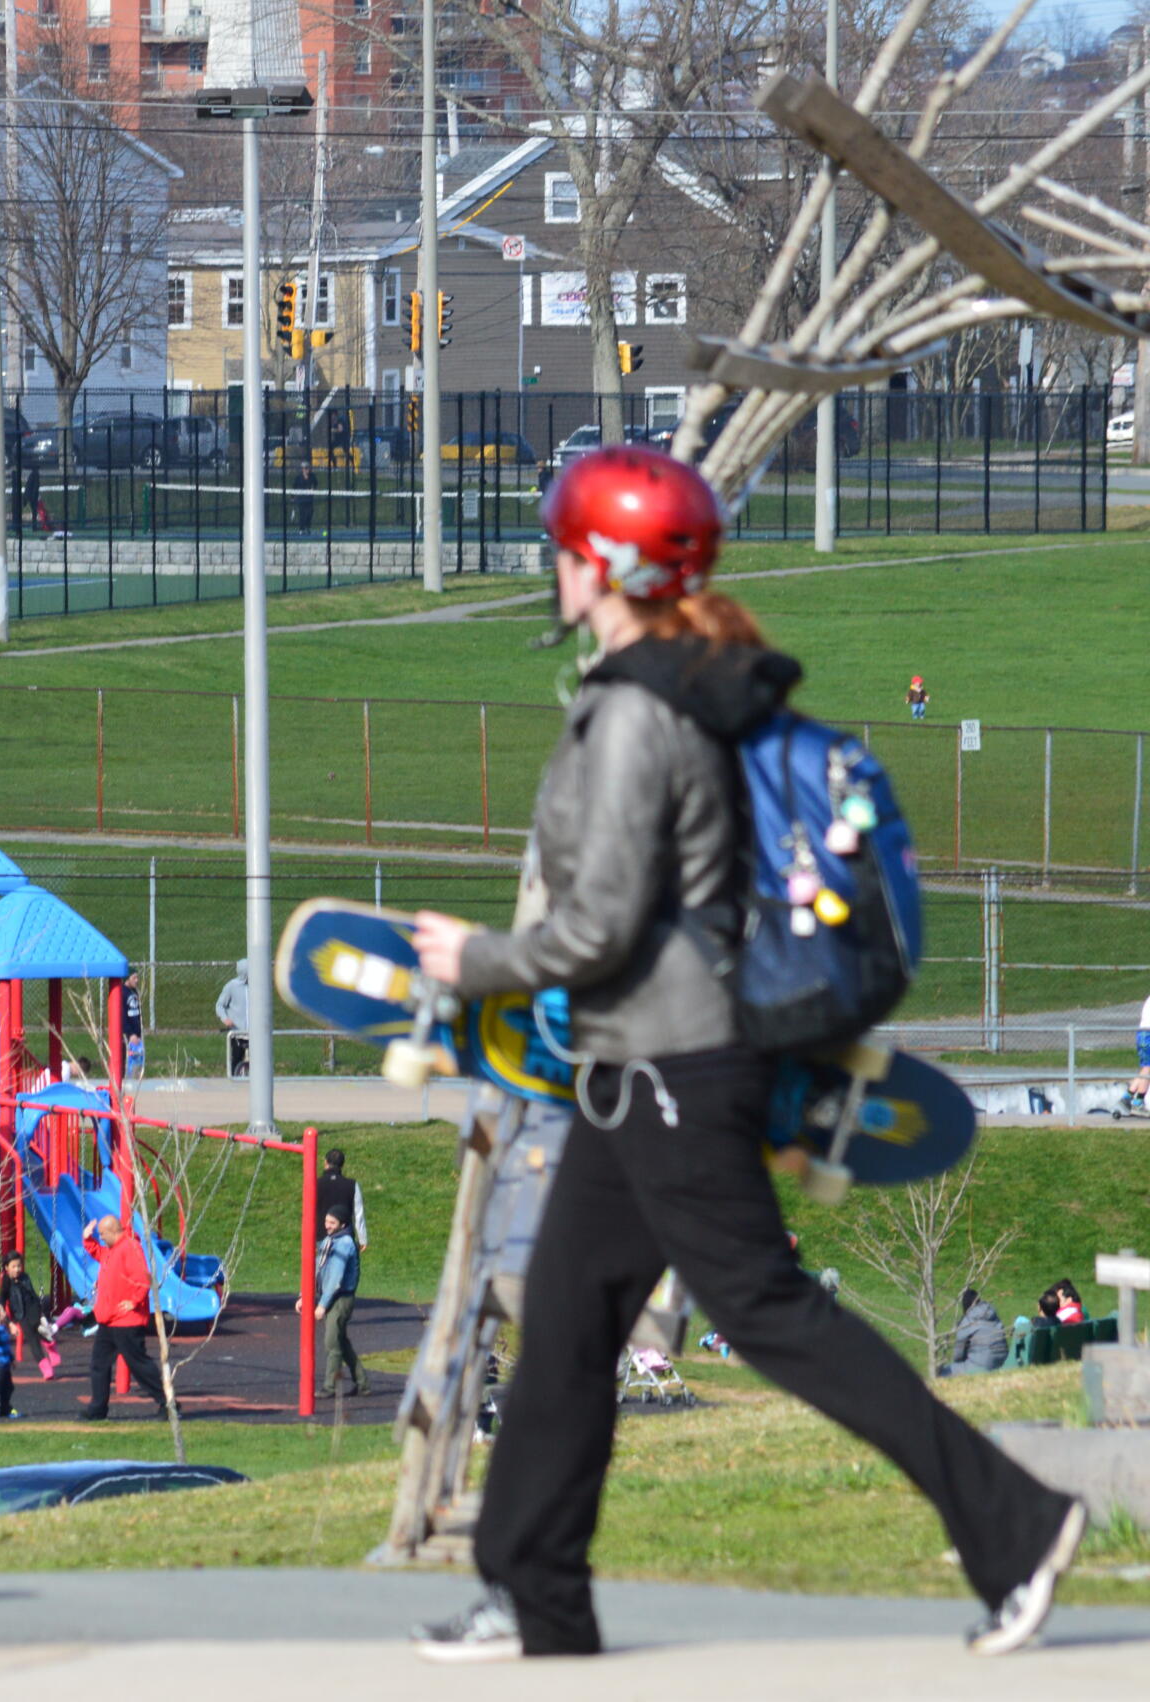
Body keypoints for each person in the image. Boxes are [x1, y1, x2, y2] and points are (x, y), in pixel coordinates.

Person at [402, 446, 1082, 1664]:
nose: (549, 566)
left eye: (562, 548)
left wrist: (477, 960)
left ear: (605, 566)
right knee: (564, 1324)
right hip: (638, 1072)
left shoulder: (632, 712)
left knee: (767, 1313)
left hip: (671, 1072)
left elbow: (600, 922)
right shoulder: (684, 687)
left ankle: (1016, 1522)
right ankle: (535, 1594)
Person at [81, 1213, 173, 1420]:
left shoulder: (130, 1248)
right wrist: (88, 1238)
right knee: (99, 1363)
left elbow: (142, 1277)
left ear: (114, 1231)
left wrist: (135, 1300)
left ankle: (167, 1402)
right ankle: (97, 1409)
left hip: (126, 1320)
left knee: (138, 1363)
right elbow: (98, 1252)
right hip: (110, 1319)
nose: (101, 1237)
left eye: (103, 1234)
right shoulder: (113, 1250)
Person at [313, 1209, 364, 1399]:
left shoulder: (344, 1244)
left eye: (332, 1223)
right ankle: (363, 1383)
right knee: (341, 1342)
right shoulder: (328, 1241)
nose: (327, 1225)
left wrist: (322, 1305)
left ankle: (330, 1386)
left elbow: (335, 1278)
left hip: (341, 1298)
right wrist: (305, 1295)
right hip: (330, 1296)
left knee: (332, 1343)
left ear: (343, 1225)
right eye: (326, 1221)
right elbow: (317, 1269)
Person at [942, 1288, 1009, 1377]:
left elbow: (958, 1354)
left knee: (944, 1372)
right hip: (1002, 1361)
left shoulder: (968, 1319)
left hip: (982, 1365)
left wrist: (958, 1363)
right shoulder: (993, 1314)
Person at [316, 1147, 368, 1262]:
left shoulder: (316, 1184)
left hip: (321, 1236)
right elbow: (358, 1214)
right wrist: (362, 1238)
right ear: (342, 1165)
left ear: (325, 1162)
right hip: (345, 1237)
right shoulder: (352, 1185)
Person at [0, 1252, 45, 1363]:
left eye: (19, 1266)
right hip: (21, 1314)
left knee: (42, 1331)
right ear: (7, 1268)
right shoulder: (6, 1281)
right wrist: (8, 1320)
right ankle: (45, 1366)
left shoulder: (25, 1277)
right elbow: (3, 1300)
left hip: (33, 1309)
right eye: (13, 1267)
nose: (17, 1269)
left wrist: (40, 1310)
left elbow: (32, 1294)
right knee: (32, 1338)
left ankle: (50, 1345)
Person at [215, 961, 253, 1080]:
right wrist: (225, 1019)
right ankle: (234, 1078)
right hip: (237, 1031)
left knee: (259, 1059)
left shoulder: (258, 986)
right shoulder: (232, 986)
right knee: (237, 1057)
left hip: (254, 1032)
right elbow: (220, 1005)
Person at [117, 968, 146, 1081]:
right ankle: (124, 1080)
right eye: (134, 977)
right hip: (128, 1034)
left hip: (136, 1033)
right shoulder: (122, 992)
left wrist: (138, 1031)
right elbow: (122, 1015)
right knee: (126, 1059)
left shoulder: (133, 992)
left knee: (137, 1059)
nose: (137, 980)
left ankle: (134, 1078)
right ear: (127, 979)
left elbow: (136, 1013)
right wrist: (130, 1033)